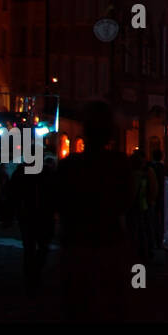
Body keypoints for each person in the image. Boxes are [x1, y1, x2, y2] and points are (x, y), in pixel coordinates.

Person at [56, 101, 133, 321]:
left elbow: (60, 202)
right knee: (111, 305)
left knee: (78, 306)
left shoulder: (69, 165)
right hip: (109, 241)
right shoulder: (119, 164)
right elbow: (125, 201)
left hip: (76, 243)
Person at [7, 133, 60, 295]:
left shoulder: (43, 173)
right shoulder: (24, 173)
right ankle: (32, 275)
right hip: (31, 215)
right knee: (32, 247)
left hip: (38, 215)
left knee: (37, 247)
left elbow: (55, 193)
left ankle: (32, 273)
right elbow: (12, 193)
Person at [147, 146, 168, 254]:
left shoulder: (149, 167)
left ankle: (155, 240)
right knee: (162, 219)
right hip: (163, 196)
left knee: (153, 219)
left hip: (152, 197)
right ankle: (160, 240)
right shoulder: (165, 168)